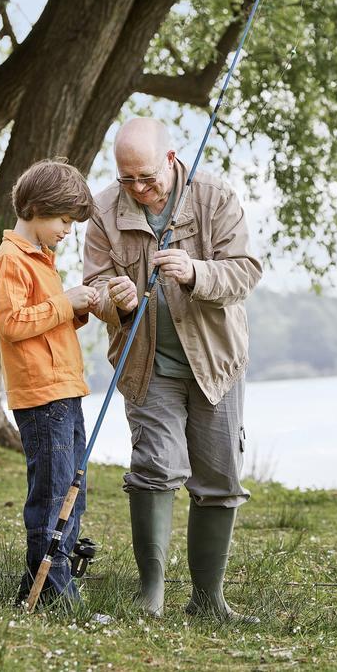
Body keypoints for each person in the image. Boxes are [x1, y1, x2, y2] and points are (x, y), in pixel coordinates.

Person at [83, 118, 262, 622]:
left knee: (219, 478)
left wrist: (195, 272)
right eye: (127, 179)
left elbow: (245, 270)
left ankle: (209, 601)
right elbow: (93, 285)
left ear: (171, 158)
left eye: (146, 177)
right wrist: (111, 298)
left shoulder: (215, 197)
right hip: (146, 365)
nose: (138, 189)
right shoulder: (103, 211)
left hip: (215, 363)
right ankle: (151, 594)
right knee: (156, 468)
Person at [0, 158, 100, 609]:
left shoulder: (43, 260)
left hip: (66, 392)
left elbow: (47, 323)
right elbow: (13, 324)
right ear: (35, 208)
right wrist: (64, 301)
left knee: (75, 492)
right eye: (64, 220)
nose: (69, 230)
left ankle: (47, 581)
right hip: (41, 397)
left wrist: (78, 307)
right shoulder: (9, 261)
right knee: (52, 496)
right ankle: (51, 593)